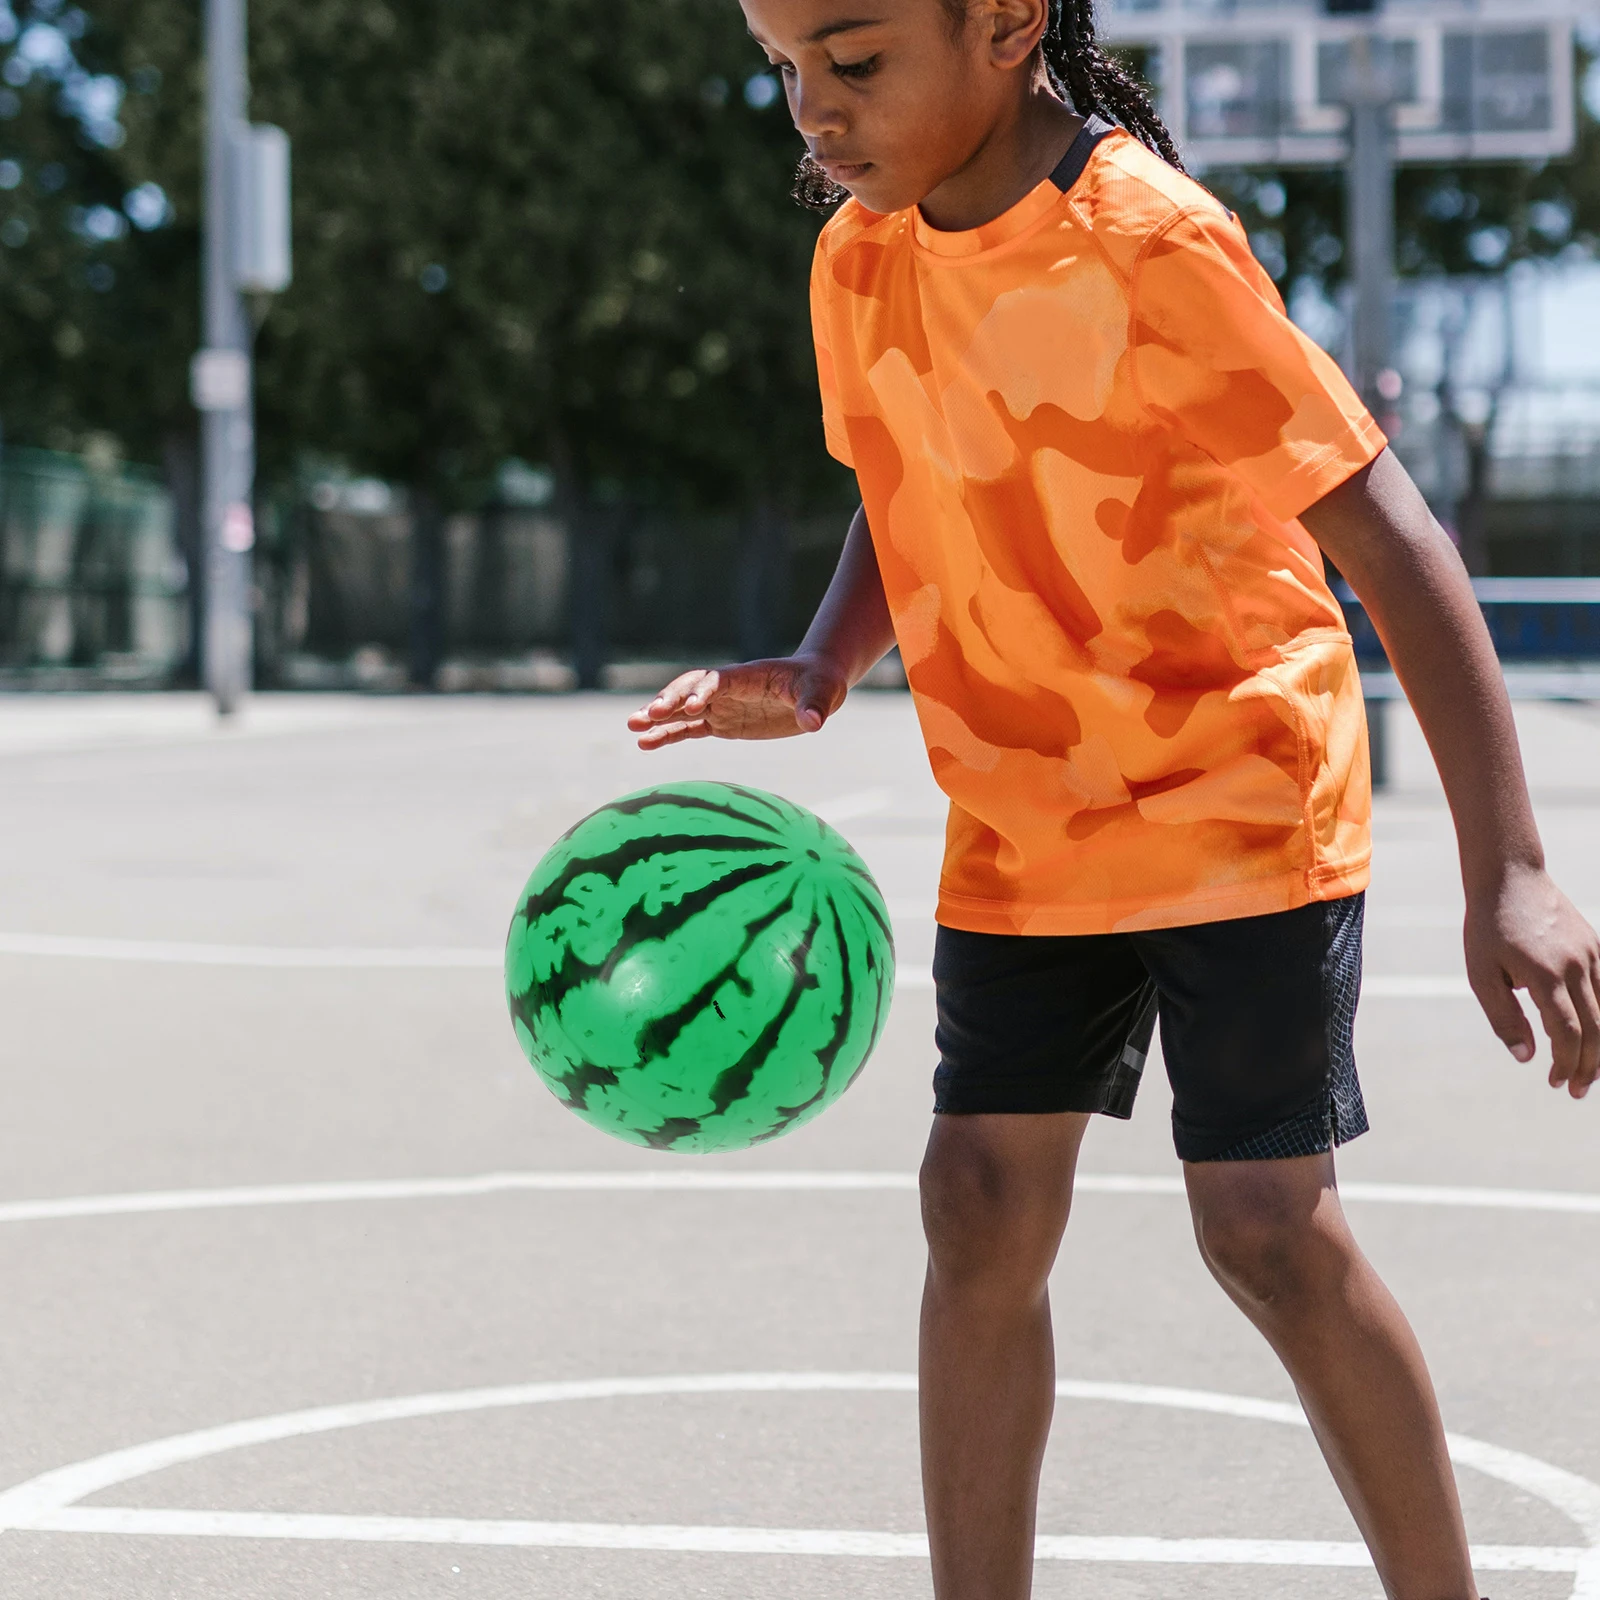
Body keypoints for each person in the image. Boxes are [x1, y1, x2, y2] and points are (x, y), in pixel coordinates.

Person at [628, 1, 1600, 1595]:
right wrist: (818, 665)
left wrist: (1515, 873)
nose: (813, 109)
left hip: (1232, 787)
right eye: (785, 68)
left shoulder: (1147, 241)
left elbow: (1396, 545)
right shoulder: (859, 260)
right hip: (1026, 814)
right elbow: (903, 477)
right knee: (976, 1206)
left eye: (853, 62)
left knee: (1266, 1231)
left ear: (1008, 23)